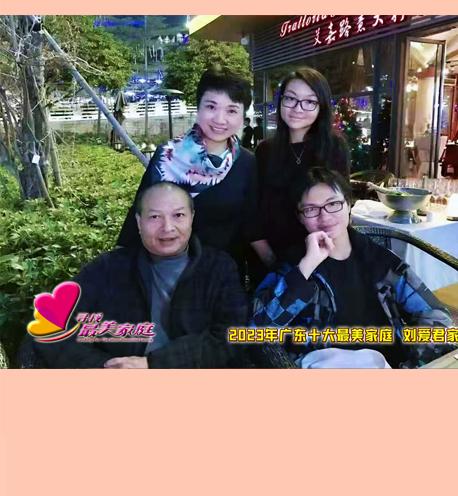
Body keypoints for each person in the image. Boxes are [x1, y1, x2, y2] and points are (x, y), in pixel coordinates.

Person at [251, 168, 452, 369]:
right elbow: (257, 329)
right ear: (300, 216)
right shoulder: (291, 266)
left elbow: (434, 313)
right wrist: (307, 266)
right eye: (311, 209)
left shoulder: (379, 259)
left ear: (348, 204)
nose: (325, 216)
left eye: (333, 204)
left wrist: (414, 365)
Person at [34, 183, 249, 369]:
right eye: (155, 217)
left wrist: (154, 364)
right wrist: (106, 367)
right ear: (138, 222)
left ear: (191, 218)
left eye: (178, 215)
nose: (167, 228)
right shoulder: (108, 268)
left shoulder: (219, 267)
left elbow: (233, 334)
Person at [118, 67, 273, 281]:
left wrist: (277, 268)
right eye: (211, 106)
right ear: (198, 107)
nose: (220, 119)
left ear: (242, 116)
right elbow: (139, 217)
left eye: (231, 110)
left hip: (223, 280)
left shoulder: (246, 163)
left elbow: (252, 225)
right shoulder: (167, 157)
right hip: (167, 278)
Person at [253, 67, 350, 272]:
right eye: (291, 99)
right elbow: (254, 211)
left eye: (309, 102)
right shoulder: (265, 151)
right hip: (274, 258)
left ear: (321, 107)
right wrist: (270, 260)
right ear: (281, 101)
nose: (298, 108)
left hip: (323, 256)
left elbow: (340, 207)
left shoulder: (334, 147)